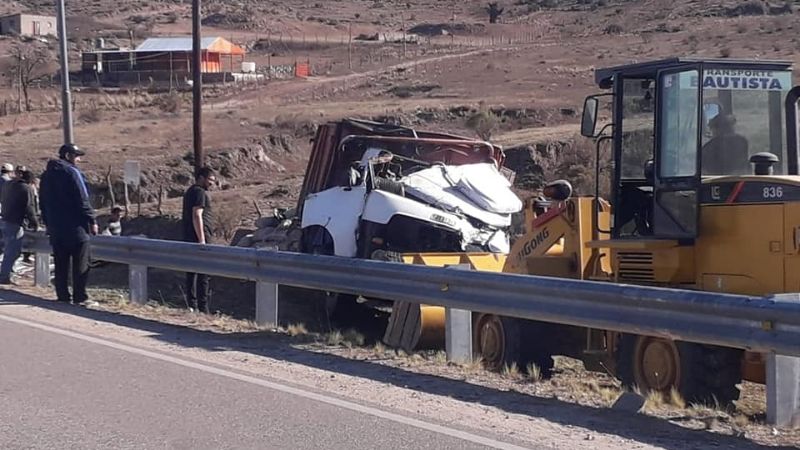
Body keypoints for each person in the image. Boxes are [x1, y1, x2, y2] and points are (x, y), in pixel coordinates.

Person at [39, 144, 98, 305]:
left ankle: (62, 295)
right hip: (76, 227)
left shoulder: (46, 175)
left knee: (61, 263)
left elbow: (42, 202)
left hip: (56, 227)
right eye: (76, 156)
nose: (79, 159)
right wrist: (92, 219)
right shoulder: (72, 172)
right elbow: (82, 199)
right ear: (67, 156)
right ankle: (80, 297)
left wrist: (48, 223)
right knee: (80, 262)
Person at [181, 166, 216, 313]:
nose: (212, 183)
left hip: (189, 237)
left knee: (192, 273)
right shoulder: (199, 192)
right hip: (199, 238)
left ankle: (192, 306)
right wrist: (202, 239)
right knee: (203, 274)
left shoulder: (190, 191)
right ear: (201, 178)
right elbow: (197, 215)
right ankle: (203, 309)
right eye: (210, 180)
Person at [0, 169, 39, 284]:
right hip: (15, 222)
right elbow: (29, 207)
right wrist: (35, 223)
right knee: (13, 251)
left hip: (5, 219)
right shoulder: (26, 189)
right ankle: (4, 277)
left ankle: (7, 274)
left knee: (8, 250)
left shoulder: (8, 185)